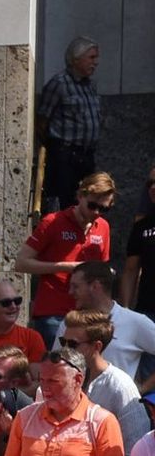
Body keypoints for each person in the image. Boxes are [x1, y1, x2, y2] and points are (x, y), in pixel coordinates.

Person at [16, 171, 114, 339]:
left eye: (104, 208)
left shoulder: (103, 226)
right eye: (92, 206)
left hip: (89, 313)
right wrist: (65, 267)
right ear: (80, 196)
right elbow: (21, 263)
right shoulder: (52, 222)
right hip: (54, 312)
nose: (97, 212)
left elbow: (103, 269)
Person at [58, 309, 151, 449]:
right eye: (62, 342)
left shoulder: (120, 386)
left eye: (72, 344)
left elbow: (136, 444)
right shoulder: (62, 378)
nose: (65, 349)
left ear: (97, 346)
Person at [37, 36, 102, 213]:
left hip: (87, 154)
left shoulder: (90, 86)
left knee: (87, 201)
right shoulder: (59, 84)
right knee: (66, 201)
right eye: (91, 57)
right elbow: (42, 119)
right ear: (76, 59)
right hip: (65, 154)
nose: (95, 62)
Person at [68, 261, 155, 390]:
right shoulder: (70, 323)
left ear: (95, 286)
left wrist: (142, 389)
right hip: (75, 400)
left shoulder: (134, 322)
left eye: (76, 287)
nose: (70, 292)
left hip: (118, 402)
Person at [121, 165, 155, 319]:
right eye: (150, 183)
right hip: (148, 312)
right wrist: (125, 310)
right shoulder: (142, 226)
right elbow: (131, 270)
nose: (152, 188)